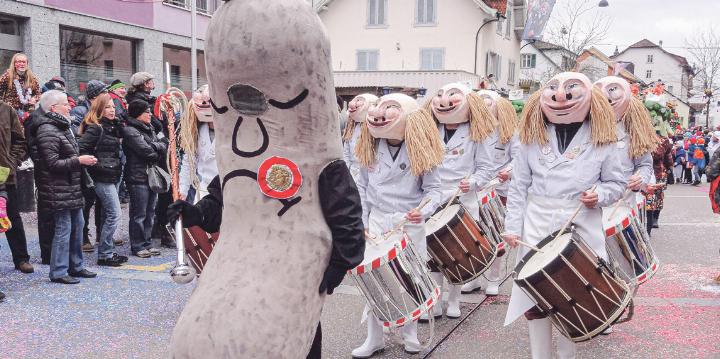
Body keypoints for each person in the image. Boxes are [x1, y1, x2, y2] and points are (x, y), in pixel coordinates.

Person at [503, 72, 625, 358]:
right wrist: (512, 228)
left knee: (575, 295)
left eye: (571, 90)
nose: (561, 96)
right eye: (553, 90)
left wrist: (601, 196)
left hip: (580, 222)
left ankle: (567, 356)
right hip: (537, 224)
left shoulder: (603, 137)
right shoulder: (530, 137)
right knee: (534, 297)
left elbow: (616, 183)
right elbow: (518, 187)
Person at [352, 93, 444, 357]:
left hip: (407, 221)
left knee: (410, 278)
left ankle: (410, 335)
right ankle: (374, 337)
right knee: (375, 279)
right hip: (378, 220)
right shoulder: (369, 147)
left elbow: (434, 190)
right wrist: (361, 221)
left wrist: (422, 211)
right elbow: (361, 187)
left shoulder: (421, 147)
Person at [423, 83, 496, 321]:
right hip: (432, 198)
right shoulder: (428, 129)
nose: (444, 102)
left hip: (462, 198)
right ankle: (435, 301)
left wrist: (473, 182)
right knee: (432, 253)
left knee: (456, 254)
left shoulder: (479, 131)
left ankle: (454, 300)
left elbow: (486, 168)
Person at [460, 89, 520, 296]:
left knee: (497, 236)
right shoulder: (469, 131)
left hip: (499, 192)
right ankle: (474, 277)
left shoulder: (509, 131)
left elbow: (520, 159)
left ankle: (494, 278)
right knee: (474, 238)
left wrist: (508, 171)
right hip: (473, 191)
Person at [35, 90, 98, 284]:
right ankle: (59, 271)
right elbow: (52, 163)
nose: (69, 106)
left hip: (69, 187)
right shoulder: (47, 129)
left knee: (77, 227)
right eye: (65, 104)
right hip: (57, 188)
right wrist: (79, 160)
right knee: (63, 229)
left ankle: (75, 266)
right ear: (54, 108)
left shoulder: (62, 127)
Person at [78, 93, 127, 267]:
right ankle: (105, 254)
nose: (112, 110)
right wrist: (96, 165)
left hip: (113, 175)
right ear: (99, 109)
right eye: (107, 107)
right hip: (102, 177)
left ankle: (109, 251)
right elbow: (81, 149)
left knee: (108, 214)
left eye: (113, 106)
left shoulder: (113, 127)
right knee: (115, 214)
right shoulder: (96, 128)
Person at [122, 100, 167, 258]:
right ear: (138, 113)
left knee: (150, 211)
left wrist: (156, 147)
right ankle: (137, 245)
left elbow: (164, 144)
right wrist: (157, 147)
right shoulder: (130, 130)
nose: (150, 115)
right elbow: (147, 152)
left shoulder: (150, 128)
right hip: (137, 176)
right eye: (146, 112)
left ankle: (147, 242)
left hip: (150, 174)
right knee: (139, 213)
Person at [0, 99, 31, 274]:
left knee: (13, 217)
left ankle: (21, 258)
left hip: (4, 174)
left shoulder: (6, 110)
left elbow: (20, 141)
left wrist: (11, 161)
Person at [178, 84, 217, 207]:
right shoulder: (196, 132)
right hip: (204, 190)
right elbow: (188, 163)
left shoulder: (232, 131)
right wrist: (182, 190)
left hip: (228, 190)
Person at [342, 93, 378, 181]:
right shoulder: (351, 127)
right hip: (352, 171)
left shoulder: (375, 128)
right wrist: (347, 170)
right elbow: (346, 151)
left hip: (370, 172)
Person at [645, 133, 674, 235]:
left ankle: (655, 218)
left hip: (658, 172)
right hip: (644, 172)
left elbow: (661, 155)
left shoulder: (663, 139)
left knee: (658, 197)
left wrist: (670, 168)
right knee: (647, 199)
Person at [0, 53, 40, 121]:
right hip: (11, 113)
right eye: (19, 62)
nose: (22, 64)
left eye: (24, 62)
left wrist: (34, 99)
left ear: (27, 64)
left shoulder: (32, 78)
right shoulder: (7, 76)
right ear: (14, 64)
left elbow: (38, 94)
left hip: (28, 113)